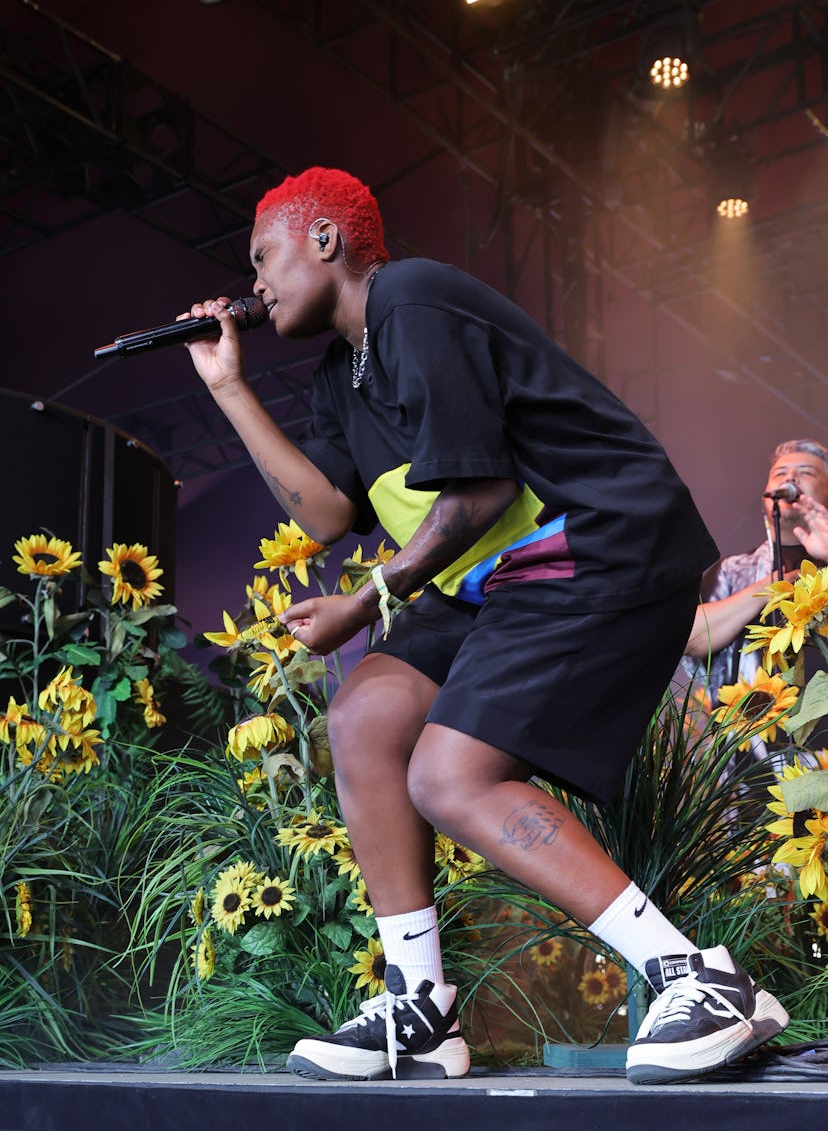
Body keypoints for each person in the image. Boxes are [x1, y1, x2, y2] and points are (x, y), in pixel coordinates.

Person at [183, 166, 788, 1087]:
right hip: (495, 581)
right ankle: (421, 1010)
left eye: (262, 255)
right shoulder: (339, 376)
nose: (255, 283)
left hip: (601, 535)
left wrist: (368, 598)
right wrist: (228, 387)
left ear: (325, 241)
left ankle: (696, 975)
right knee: (365, 720)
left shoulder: (413, 298)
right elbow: (322, 516)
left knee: (450, 773)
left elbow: (482, 492)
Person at [684, 440, 828, 721]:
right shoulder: (733, 571)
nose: (790, 478)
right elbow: (689, 637)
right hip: (751, 747)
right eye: (780, 473)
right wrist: (768, 587)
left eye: (806, 472)